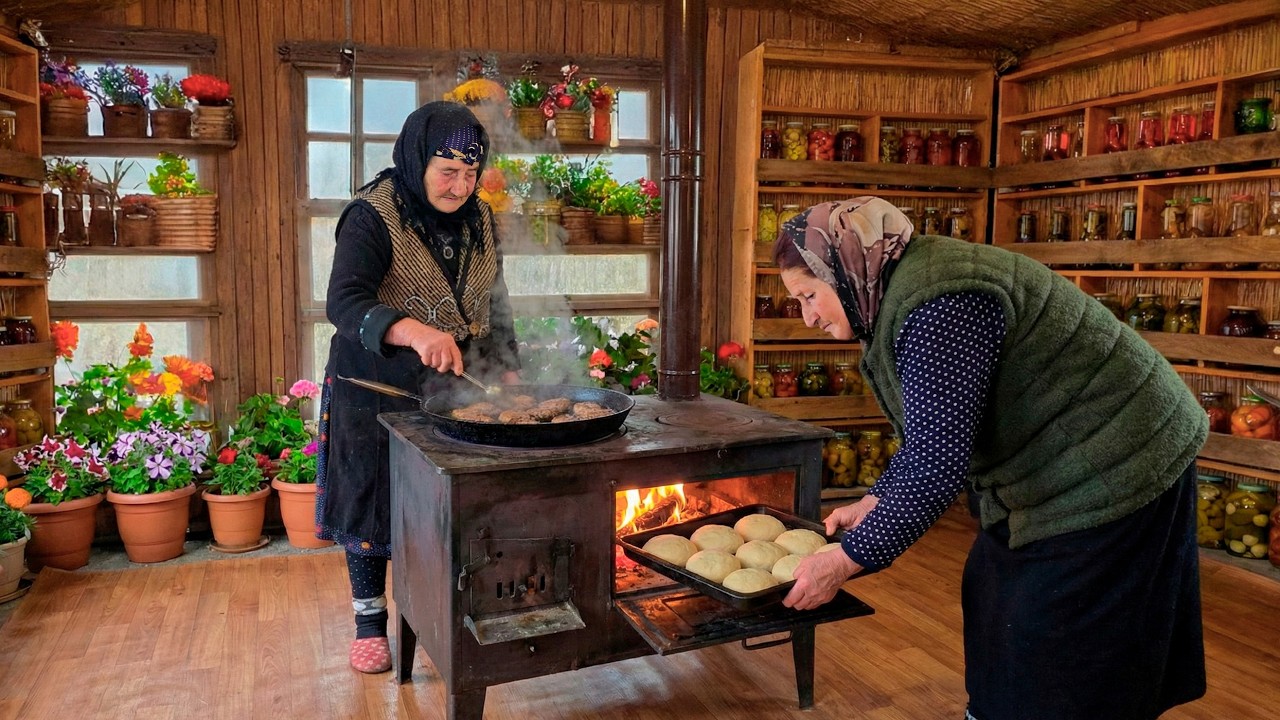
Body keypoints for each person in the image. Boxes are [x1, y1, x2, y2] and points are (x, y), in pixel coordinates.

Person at [775, 197, 1207, 719]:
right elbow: (936, 431)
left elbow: (938, 460)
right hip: (1056, 461)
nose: (807, 317)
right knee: (996, 600)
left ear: (844, 271)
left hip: (1118, 460)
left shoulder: (941, 303)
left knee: (1064, 633)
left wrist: (845, 560)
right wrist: (879, 499)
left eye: (809, 296)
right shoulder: (899, 287)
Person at [315, 101, 521, 674]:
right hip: (375, 385)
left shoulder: (480, 219)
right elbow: (344, 302)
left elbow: (495, 302)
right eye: (447, 170)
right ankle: (369, 621)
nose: (460, 186)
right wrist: (412, 330)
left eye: (471, 172)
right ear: (415, 158)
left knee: (447, 499)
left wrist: (508, 369)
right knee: (374, 502)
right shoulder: (370, 216)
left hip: (454, 384)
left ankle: (445, 605)